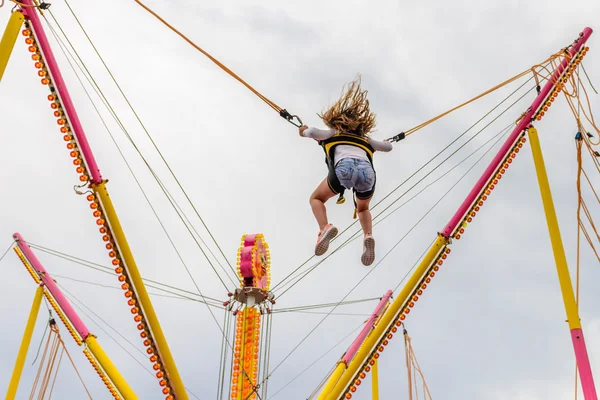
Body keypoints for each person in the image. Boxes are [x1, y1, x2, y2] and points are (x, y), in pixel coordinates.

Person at [299, 77, 393, 266]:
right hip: (367, 174)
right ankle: (368, 235)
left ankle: (324, 227)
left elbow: (312, 133)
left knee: (316, 199)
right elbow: (388, 147)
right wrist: (379, 141)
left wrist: (303, 130)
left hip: (344, 169)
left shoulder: (334, 133)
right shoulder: (366, 141)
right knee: (363, 207)